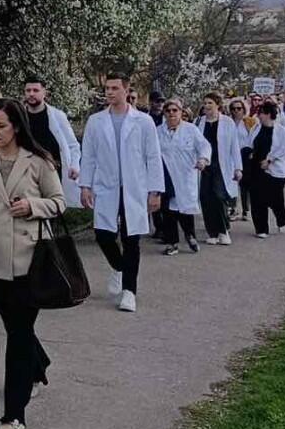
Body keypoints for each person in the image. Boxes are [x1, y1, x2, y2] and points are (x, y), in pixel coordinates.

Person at [0, 98, 66, 429]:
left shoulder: (38, 162)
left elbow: (59, 202)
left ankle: (13, 415)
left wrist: (32, 205)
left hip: (29, 261)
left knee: (18, 336)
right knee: (16, 327)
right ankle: (39, 364)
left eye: (1, 126)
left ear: (16, 126)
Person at [78, 74, 163, 312]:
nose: (110, 92)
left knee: (131, 239)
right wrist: (85, 186)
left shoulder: (143, 121)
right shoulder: (96, 121)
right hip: (106, 186)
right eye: (107, 88)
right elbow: (89, 155)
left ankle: (129, 292)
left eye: (115, 88)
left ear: (126, 90)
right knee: (103, 235)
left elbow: (153, 156)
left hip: (134, 187)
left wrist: (155, 190)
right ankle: (118, 266)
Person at [154, 98, 210, 255]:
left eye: (175, 110)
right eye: (168, 111)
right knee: (168, 210)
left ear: (181, 112)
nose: (171, 113)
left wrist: (203, 159)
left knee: (185, 208)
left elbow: (204, 145)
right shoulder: (158, 131)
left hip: (185, 174)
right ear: (164, 113)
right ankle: (172, 243)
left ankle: (190, 235)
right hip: (166, 176)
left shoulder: (191, 130)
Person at [21, 77, 83, 209]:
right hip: (26, 172)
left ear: (44, 92)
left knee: (53, 208)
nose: (31, 94)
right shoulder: (20, 117)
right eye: (28, 90)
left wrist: (74, 165)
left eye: (35, 90)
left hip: (53, 172)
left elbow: (73, 145)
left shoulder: (57, 116)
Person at [197, 93, 242, 245]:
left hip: (221, 165)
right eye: (205, 103)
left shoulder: (227, 122)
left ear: (218, 105)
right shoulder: (199, 122)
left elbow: (234, 146)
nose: (207, 106)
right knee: (205, 197)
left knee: (218, 196)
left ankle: (223, 230)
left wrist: (238, 168)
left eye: (210, 103)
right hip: (204, 166)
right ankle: (212, 232)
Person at [249, 101, 285, 239]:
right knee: (257, 199)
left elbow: (283, 149)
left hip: (274, 170)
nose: (258, 116)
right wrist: (250, 154)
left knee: (275, 200)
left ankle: (282, 218)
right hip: (257, 169)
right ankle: (261, 229)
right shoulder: (256, 128)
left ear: (268, 114)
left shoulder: (281, 130)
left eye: (261, 113)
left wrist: (269, 160)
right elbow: (250, 143)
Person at [231, 98, 259, 222]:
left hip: (246, 155)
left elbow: (255, 137)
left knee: (245, 184)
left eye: (239, 108)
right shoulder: (228, 122)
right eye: (233, 109)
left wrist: (253, 152)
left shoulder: (249, 121)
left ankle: (246, 209)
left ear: (244, 109)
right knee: (232, 182)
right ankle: (233, 208)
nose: (236, 111)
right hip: (231, 156)